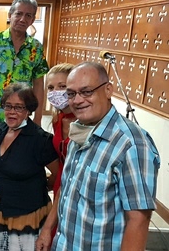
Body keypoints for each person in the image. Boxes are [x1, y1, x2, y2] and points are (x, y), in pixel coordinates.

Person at [52, 62, 160, 250]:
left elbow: (139, 220)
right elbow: (67, 190)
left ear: (108, 90)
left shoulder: (131, 144)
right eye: (71, 94)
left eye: (86, 92)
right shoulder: (79, 130)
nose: (77, 100)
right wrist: (48, 230)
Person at [0, 82, 58, 251]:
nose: (12, 112)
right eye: (8, 106)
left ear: (29, 110)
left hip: (25, 216)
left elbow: (59, 175)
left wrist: (43, 184)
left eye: (19, 107)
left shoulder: (40, 140)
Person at [0, 0, 48, 126]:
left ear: (32, 20)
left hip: (20, 115)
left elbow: (39, 85)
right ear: (10, 15)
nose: (22, 19)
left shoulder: (36, 48)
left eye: (28, 15)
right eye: (18, 14)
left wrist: (38, 118)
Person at [35, 63, 75, 250]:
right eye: (51, 87)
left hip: (75, 187)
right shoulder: (58, 118)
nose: (55, 92)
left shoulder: (84, 121)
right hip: (60, 182)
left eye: (62, 86)